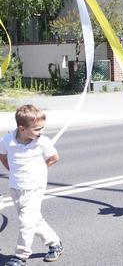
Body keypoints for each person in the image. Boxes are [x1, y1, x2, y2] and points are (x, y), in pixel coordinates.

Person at [0, 105, 64, 266]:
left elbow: (54, 157)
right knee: (32, 219)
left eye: (42, 128)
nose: (41, 132)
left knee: (26, 223)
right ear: (22, 128)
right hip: (15, 186)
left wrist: (39, 170)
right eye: (37, 129)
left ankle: (21, 256)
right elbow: (2, 156)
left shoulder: (42, 142)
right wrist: (12, 169)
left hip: (35, 187)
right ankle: (55, 243)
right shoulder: (7, 140)